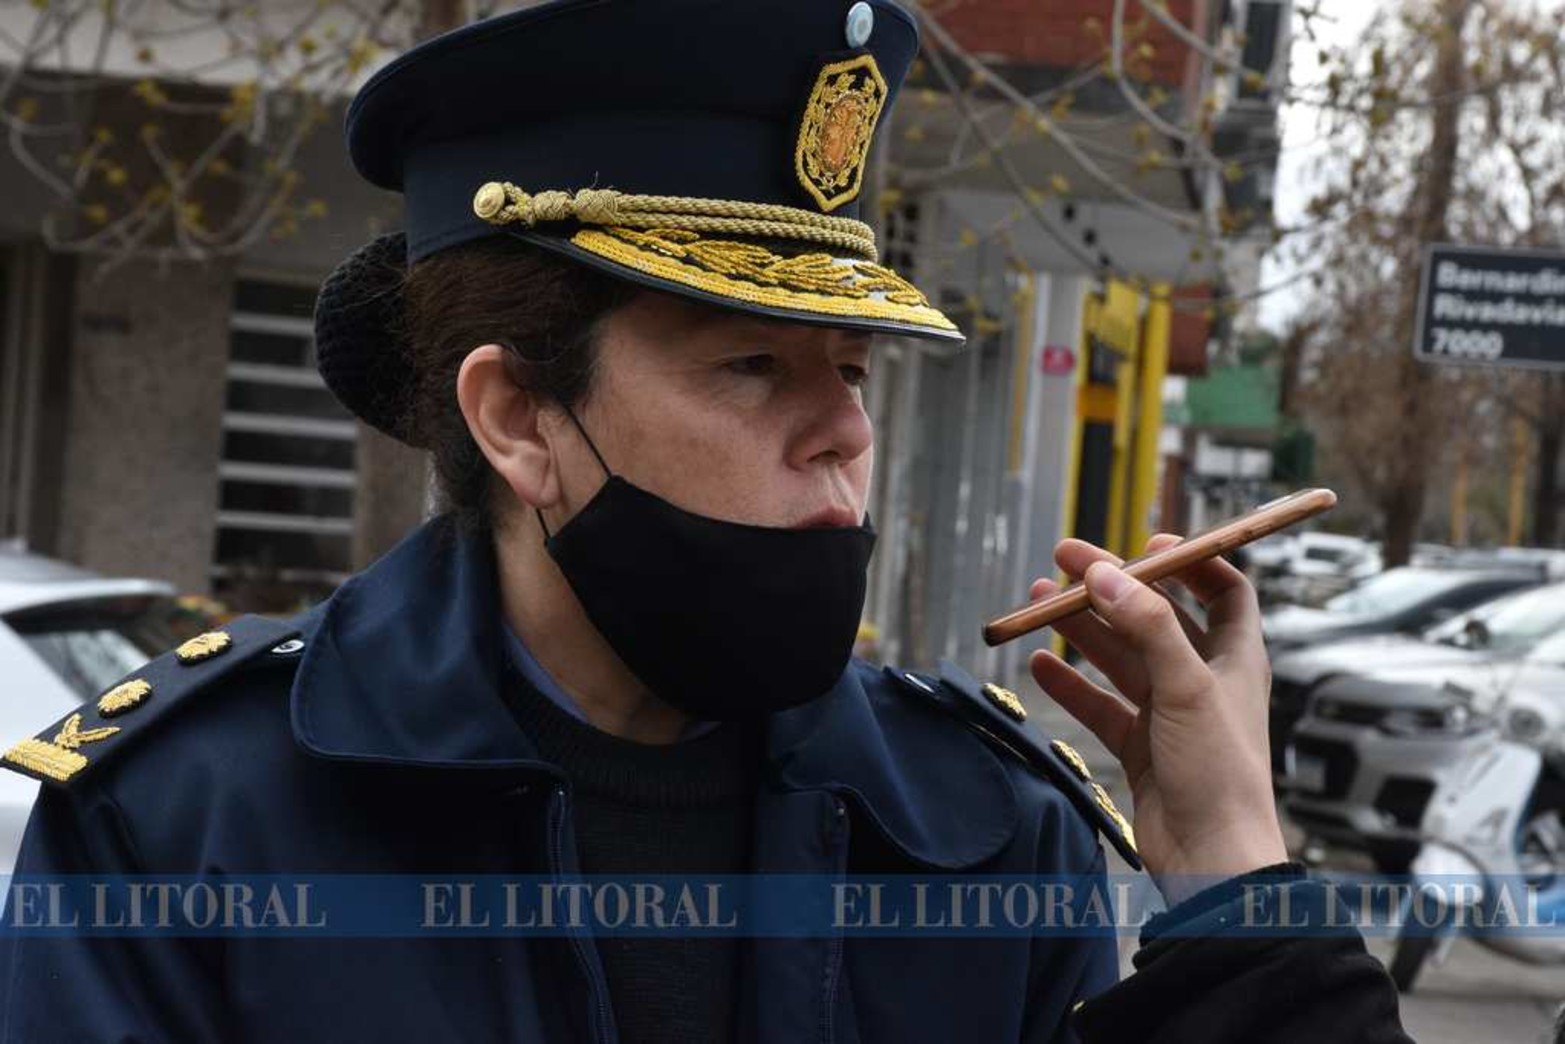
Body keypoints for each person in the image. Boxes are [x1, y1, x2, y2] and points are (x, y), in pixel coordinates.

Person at [0, 2, 1414, 1041]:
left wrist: (1236, 887)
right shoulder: (186, 824)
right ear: (517, 420)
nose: (847, 430)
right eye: (752, 365)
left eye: (852, 370)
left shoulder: (979, 826)